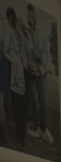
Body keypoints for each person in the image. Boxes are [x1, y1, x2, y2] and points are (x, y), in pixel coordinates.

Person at [23, 3, 49, 144]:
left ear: (35, 17)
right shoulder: (28, 33)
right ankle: (37, 126)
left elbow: (39, 54)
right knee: (34, 99)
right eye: (28, 15)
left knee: (42, 100)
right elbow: (27, 52)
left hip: (40, 71)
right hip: (31, 71)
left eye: (32, 14)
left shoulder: (38, 34)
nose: (30, 17)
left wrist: (41, 66)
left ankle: (43, 127)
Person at [2, 7, 27, 147]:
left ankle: (22, 134)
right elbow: (5, 51)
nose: (19, 26)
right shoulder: (10, 34)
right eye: (18, 23)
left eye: (21, 25)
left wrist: (24, 63)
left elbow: (24, 55)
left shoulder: (20, 37)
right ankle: (19, 135)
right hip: (14, 76)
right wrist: (15, 61)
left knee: (22, 106)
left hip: (23, 76)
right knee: (16, 105)